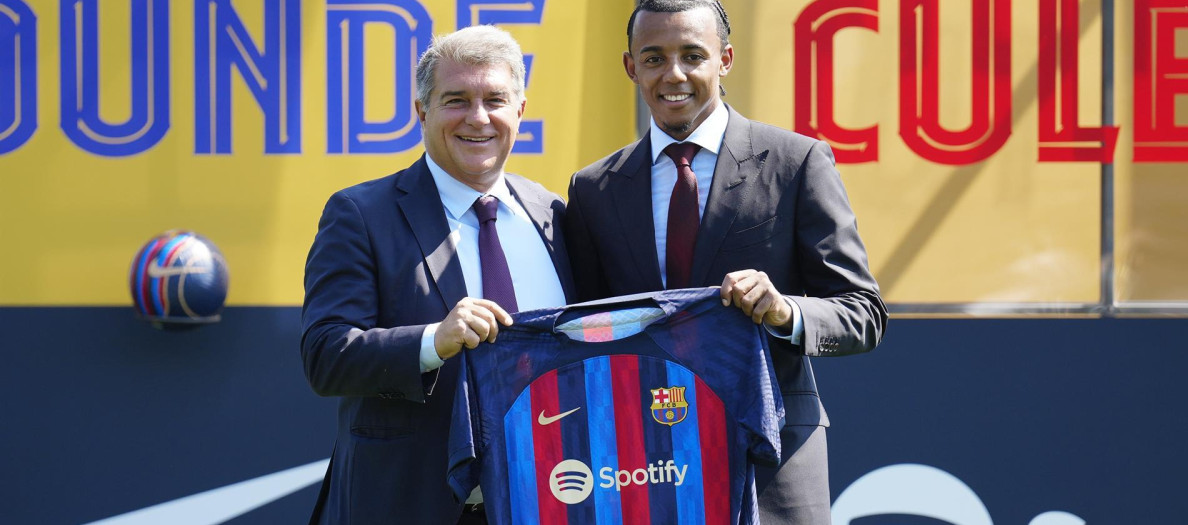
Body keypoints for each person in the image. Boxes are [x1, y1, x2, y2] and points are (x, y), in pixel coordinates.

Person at [564, 1, 887, 523]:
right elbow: (585, 328)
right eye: (654, 58)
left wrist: (784, 311)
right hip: (642, 459)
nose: (674, 75)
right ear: (630, 67)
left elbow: (862, 313)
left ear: (726, 59)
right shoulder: (593, 189)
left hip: (773, 452)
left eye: (693, 55)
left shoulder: (796, 161)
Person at [301, 25, 573, 525]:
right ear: (422, 112)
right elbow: (325, 355)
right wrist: (433, 341)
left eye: (495, 99)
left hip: (550, 501)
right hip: (411, 507)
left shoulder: (556, 213)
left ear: (520, 111)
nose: (478, 118)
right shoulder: (361, 214)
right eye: (456, 100)